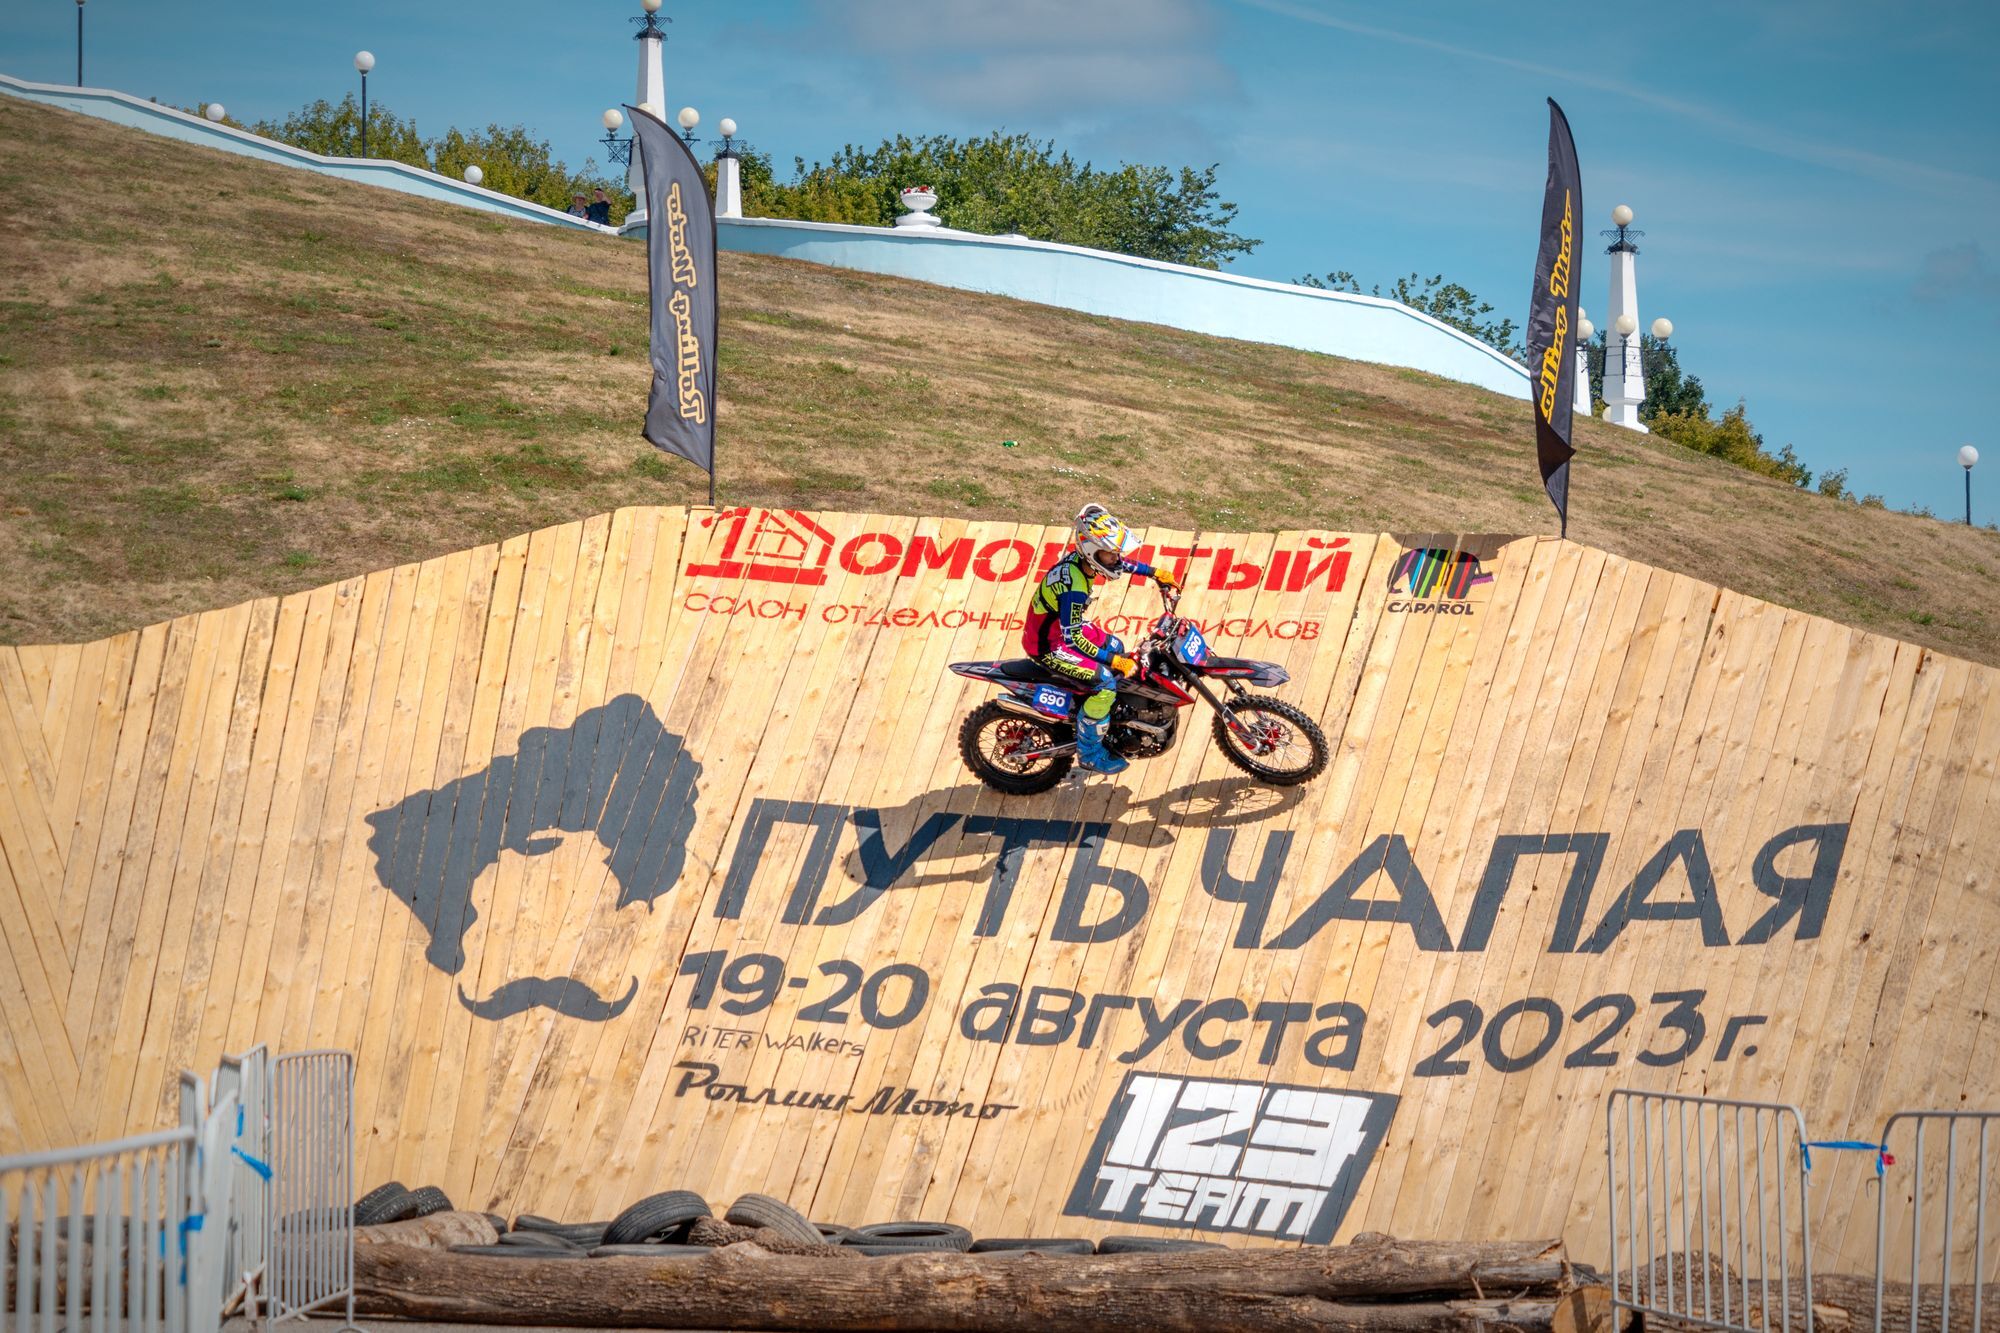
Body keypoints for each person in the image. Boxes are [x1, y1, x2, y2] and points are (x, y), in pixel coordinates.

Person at [1022, 503, 1179, 774]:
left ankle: (1103, 715)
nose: (1115, 558)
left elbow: (1118, 564)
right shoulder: (1074, 588)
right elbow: (1073, 639)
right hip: (1049, 645)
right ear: (1092, 551)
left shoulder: (1083, 561)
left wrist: (1153, 572)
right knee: (1106, 683)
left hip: (1061, 630)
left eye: (1116, 552)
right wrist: (1114, 662)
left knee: (1116, 645)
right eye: (1110, 553)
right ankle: (1091, 753)